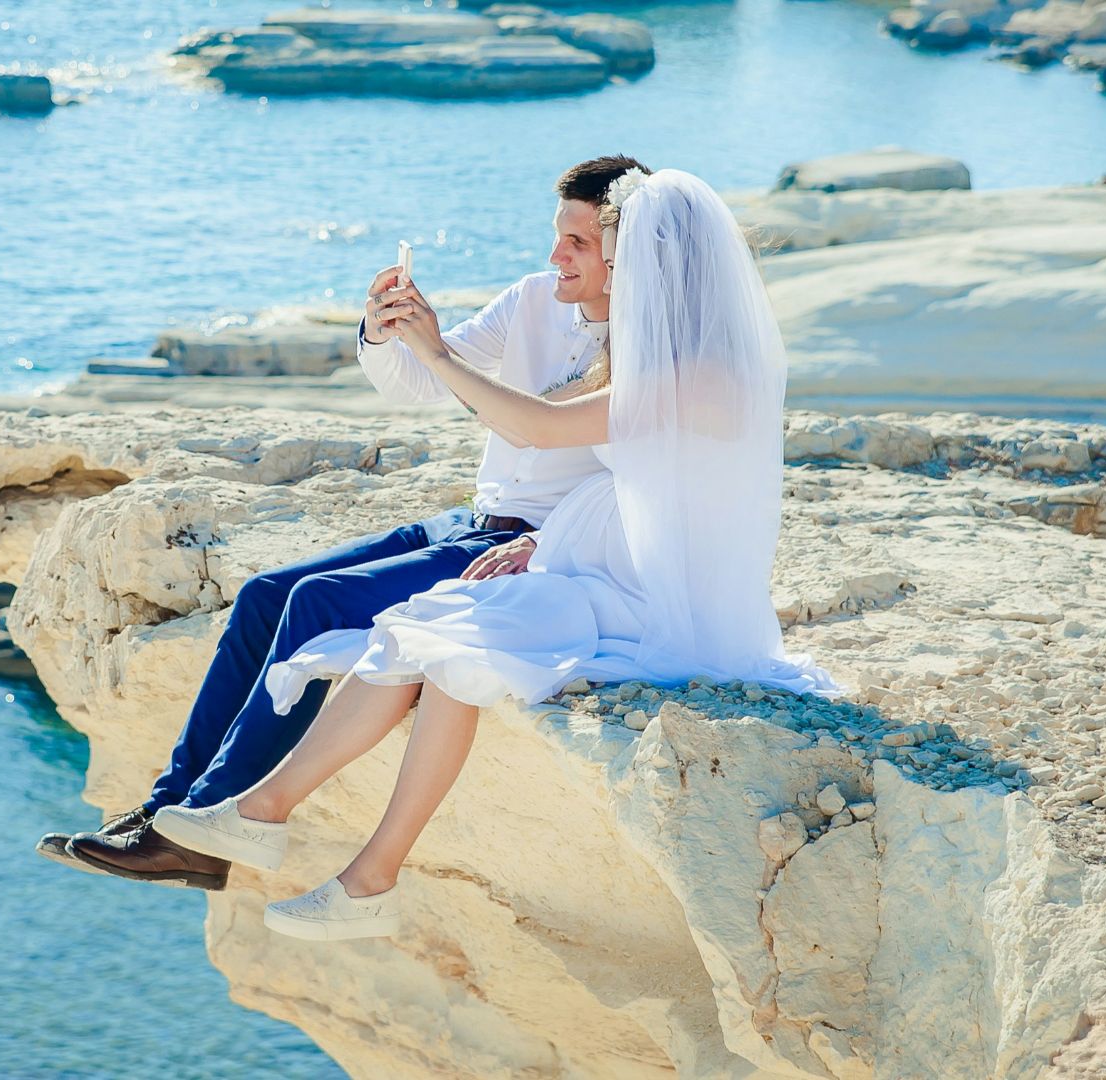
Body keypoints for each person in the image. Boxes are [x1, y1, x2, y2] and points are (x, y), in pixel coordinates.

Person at [151, 168, 844, 939]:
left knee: (446, 633)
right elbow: (639, 476)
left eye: (599, 248)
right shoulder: (651, 353)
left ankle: (285, 825)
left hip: (663, 589)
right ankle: (326, 854)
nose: (584, 262)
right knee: (441, 631)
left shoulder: (705, 375)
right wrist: (544, 537)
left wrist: (440, 354)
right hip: (601, 551)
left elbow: (545, 432)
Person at [35, 155, 652, 890]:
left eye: (578, 244)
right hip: (472, 518)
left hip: (535, 545)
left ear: (624, 253)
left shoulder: (656, 349)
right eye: (558, 237)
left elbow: (649, 486)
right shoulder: (530, 301)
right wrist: (385, 329)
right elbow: (420, 382)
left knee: (315, 603)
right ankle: (169, 811)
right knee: (266, 592)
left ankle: (211, 825)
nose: (557, 256)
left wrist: (542, 542)